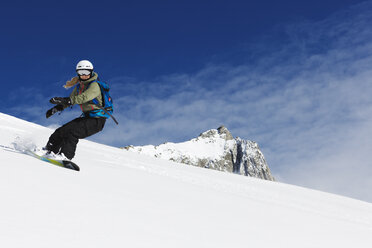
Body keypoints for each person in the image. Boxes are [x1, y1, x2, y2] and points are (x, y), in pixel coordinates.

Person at [44, 60, 106, 160]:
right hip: (87, 118)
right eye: (81, 73)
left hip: (97, 120)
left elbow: (84, 97)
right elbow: (70, 100)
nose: (84, 75)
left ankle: (65, 157)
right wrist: (57, 108)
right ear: (78, 73)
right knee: (60, 131)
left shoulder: (95, 85)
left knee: (72, 133)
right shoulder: (78, 87)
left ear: (91, 72)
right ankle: (49, 151)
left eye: (86, 72)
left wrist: (66, 100)